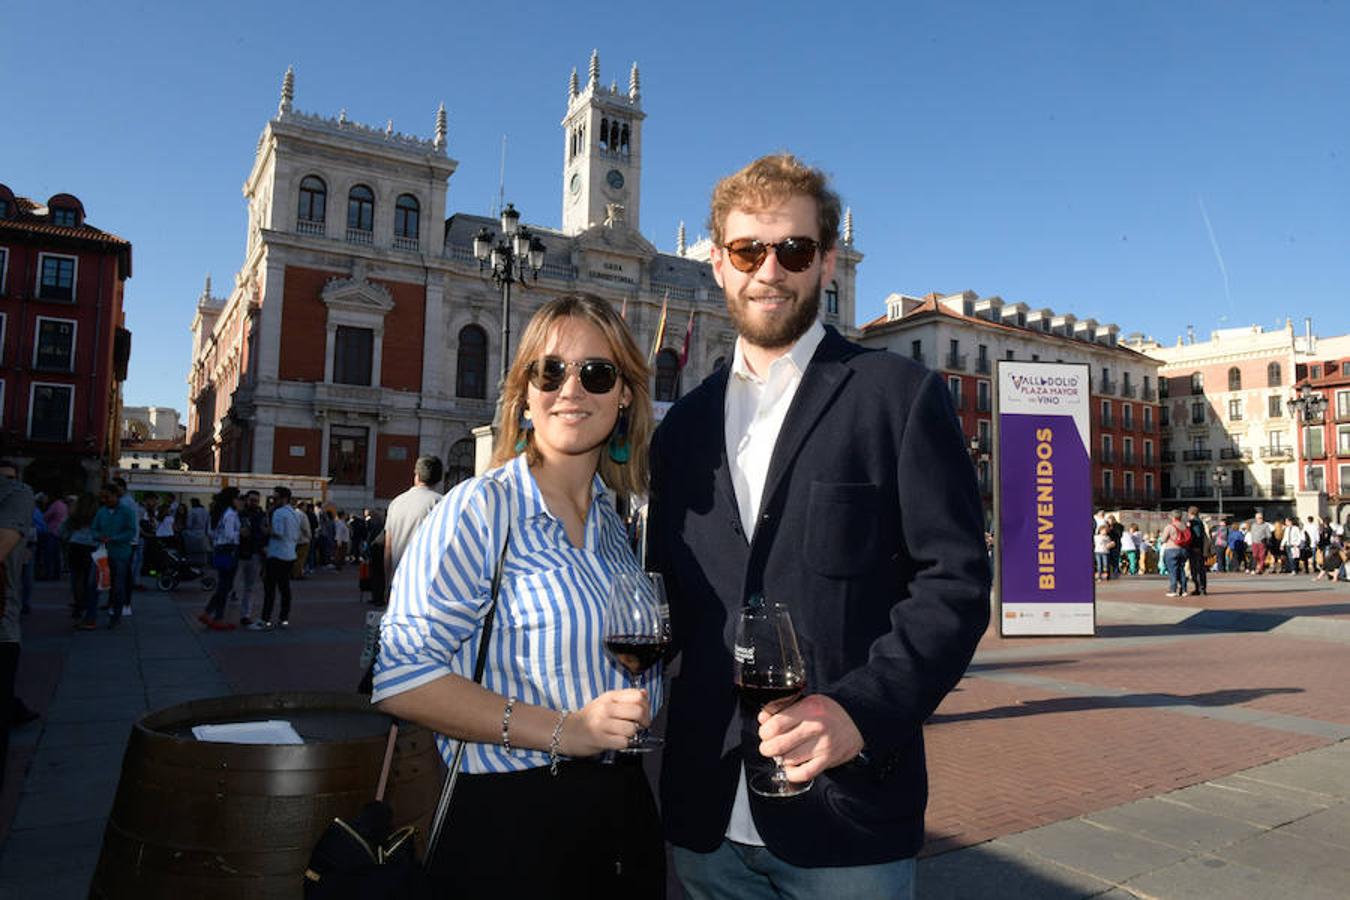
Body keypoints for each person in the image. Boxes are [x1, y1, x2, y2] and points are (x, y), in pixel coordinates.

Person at [647, 154, 990, 899]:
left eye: (793, 250)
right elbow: (663, 598)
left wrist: (859, 713)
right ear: (717, 263)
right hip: (706, 817)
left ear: (826, 262)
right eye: (748, 251)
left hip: (847, 823)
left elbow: (955, 584)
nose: (770, 270)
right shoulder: (683, 429)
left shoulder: (897, 397)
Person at [374, 293, 664, 896]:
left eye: (597, 373)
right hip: (511, 821)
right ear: (526, 393)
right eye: (550, 370)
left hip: (620, 811)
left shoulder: (615, 525)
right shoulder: (482, 509)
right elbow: (400, 677)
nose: (572, 389)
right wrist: (566, 729)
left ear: (626, 395)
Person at [381, 455, 444, 603]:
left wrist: (387, 583)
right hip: (424, 586)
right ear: (439, 478)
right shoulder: (440, 503)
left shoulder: (396, 502)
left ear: (416, 475)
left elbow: (388, 548)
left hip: (397, 582)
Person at [254, 486, 301, 630]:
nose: (273, 500)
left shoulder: (279, 513)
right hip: (290, 554)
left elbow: (278, 533)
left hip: (277, 554)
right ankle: (283, 618)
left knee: (270, 588)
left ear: (284, 498)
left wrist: (265, 530)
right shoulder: (294, 513)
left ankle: (265, 619)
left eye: (276, 498)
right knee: (285, 588)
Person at [92, 484, 137, 628]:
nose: (105, 500)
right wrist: (99, 536)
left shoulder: (126, 511)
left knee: (118, 586)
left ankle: (116, 615)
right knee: (94, 584)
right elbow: (94, 529)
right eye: (103, 497)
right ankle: (90, 616)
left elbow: (131, 531)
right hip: (103, 553)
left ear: (116, 495)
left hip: (120, 553)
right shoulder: (102, 512)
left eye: (108, 497)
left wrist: (114, 538)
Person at [198, 487, 241, 631]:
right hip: (229, 549)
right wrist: (240, 533)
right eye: (237, 498)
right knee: (226, 585)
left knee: (224, 584)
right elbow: (230, 535)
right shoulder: (230, 514)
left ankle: (209, 612)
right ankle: (218, 617)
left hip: (219, 549)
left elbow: (211, 533)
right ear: (232, 499)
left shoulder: (217, 512)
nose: (239, 501)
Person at [61, 493, 100, 628]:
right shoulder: (97, 515)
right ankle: (88, 607)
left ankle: (78, 603)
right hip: (93, 547)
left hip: (75, 546)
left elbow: (62, 531)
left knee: (76, 578)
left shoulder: (74, 516)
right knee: (90, 580)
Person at [233, 490, 268, 626]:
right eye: (252, 500)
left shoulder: (261, 515)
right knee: (233, 584)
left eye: (256, 500)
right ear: (246, 500)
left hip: (254, 553)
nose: (254, 503)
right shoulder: (239, 514)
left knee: (250, 586)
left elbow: (264, 532)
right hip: (240, 553)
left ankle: (245, 615)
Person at [1161, 510, 1191, 598]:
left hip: (1171, 550)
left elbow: (1163, 539)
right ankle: (1184, 590)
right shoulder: (1184, 526)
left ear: (1172, 517)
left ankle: (1173, 590)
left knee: (1172, 571)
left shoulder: (1170, 526)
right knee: (1181, 569)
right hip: (1183, 550)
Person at [1185, 506, 1209, 596]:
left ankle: (1200, 588)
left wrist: (1195, 546)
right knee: (1198, 569)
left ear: (1190, 513)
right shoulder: (1200, 522)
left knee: (1196, 569)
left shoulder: (1195, 522)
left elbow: (1197, 535)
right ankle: (1200, 588)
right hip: (1199, 548)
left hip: (1195, 548)